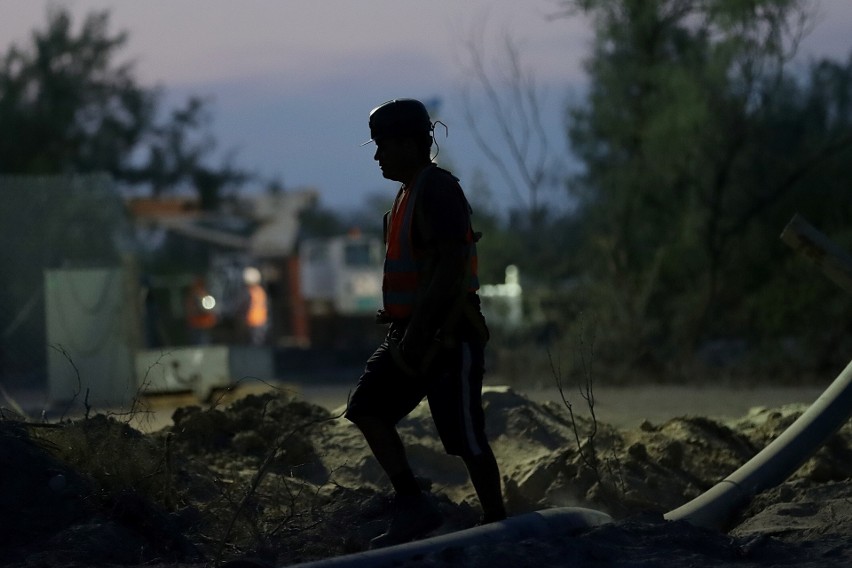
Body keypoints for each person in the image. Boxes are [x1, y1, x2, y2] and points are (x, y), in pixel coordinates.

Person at [345, 98, 506, 548]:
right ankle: (414, 506)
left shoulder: (436, 189)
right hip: (411, 337)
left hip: (449, 338)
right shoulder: (407, 194)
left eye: (383, 146)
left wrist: (420, 332)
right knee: (367, 408)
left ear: (411, 144)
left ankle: (498, 521)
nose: (377, 157)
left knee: (465, 437)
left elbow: (453, 262)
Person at [185, 276, 217, 345]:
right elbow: (190, 311)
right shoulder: (192, 297)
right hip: (195, 325)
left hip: (205, 324)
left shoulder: (206, 295)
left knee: (205, 342)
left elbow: (210, 309)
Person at [241, 266, 269, 346]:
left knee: (254, 345)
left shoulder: (250, 292)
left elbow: (245, 306)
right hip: (260, 322)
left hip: (253, 322)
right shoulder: (260, 290)